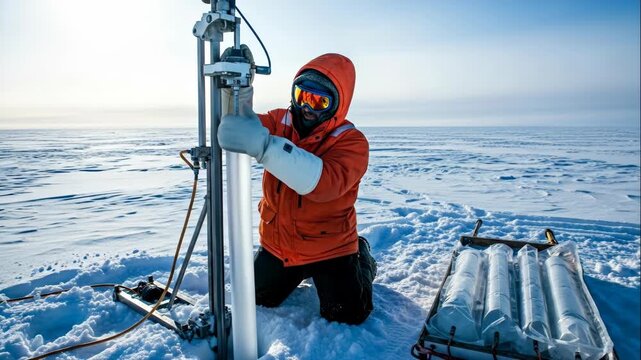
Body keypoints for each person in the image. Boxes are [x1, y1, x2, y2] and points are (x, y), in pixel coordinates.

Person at [218, 47, 376, 325]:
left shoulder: (351, 142)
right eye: (302, 96)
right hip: (279, 246)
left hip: (331, 247)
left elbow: (324, 184)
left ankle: (361, 255)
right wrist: (237, 92)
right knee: (254, 298)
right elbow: (244, 126)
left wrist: (266, 147)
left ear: (338, 105)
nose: (307, 107)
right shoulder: (280, 120)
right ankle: (293, 271)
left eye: (319, 101)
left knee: (349, 315)